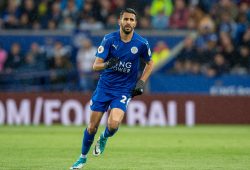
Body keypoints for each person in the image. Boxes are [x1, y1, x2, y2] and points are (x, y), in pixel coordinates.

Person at [70, 8, 154, 169]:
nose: (128, 22)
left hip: (124, 89)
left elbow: (150, 63)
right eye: (126, 19)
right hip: (105, 87)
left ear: (135, 23)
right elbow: (95, 66)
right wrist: (108, 64)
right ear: (119, 21)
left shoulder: (142, 43)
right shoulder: (109, 39)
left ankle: (104, 137)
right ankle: (82, 158)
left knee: (114, 124)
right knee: (92, 126)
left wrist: (141, 82)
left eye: (131, 20)